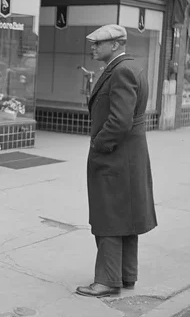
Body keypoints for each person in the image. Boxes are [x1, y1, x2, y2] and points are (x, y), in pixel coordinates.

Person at [76, 24, 157, 298]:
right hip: (128, 156)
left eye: (99, 43)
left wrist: (99, 145)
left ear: (115, 45)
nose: (93, 48)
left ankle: (107, 281)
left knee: (109, 216)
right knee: (125, 217)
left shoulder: (120, 70)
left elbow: (119, 121)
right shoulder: (130, 67)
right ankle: (125, 275)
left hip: (115, 156)